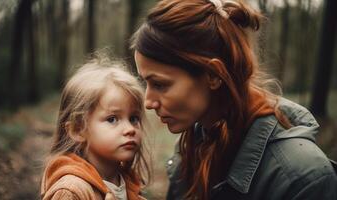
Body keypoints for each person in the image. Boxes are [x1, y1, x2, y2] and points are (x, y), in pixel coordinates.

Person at [131, 0, 337, 199]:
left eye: (160, 84)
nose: (148, 102)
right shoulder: (190, 150)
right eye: (146, 83)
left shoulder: (301, 179)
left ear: (212, 75)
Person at [40, 55, 150, 200]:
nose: (130, 129)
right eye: (112, 119)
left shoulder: (130, 187)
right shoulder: (70, 192)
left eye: (134, 118)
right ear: (78, 129)